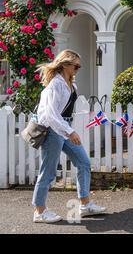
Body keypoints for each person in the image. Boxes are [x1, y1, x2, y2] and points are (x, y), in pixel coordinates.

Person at [32, 49, 106, 223]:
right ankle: (39, 211)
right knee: (48, 171)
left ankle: (85, 205)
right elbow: (50, 115)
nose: (77, 69)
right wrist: (70, 131)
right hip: (53, 130)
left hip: (63, 128)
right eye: (76, 66)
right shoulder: (55, 85)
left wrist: (68, 130)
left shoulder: (71, 84)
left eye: (79, 67)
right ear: (65, 64)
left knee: (83, 163)